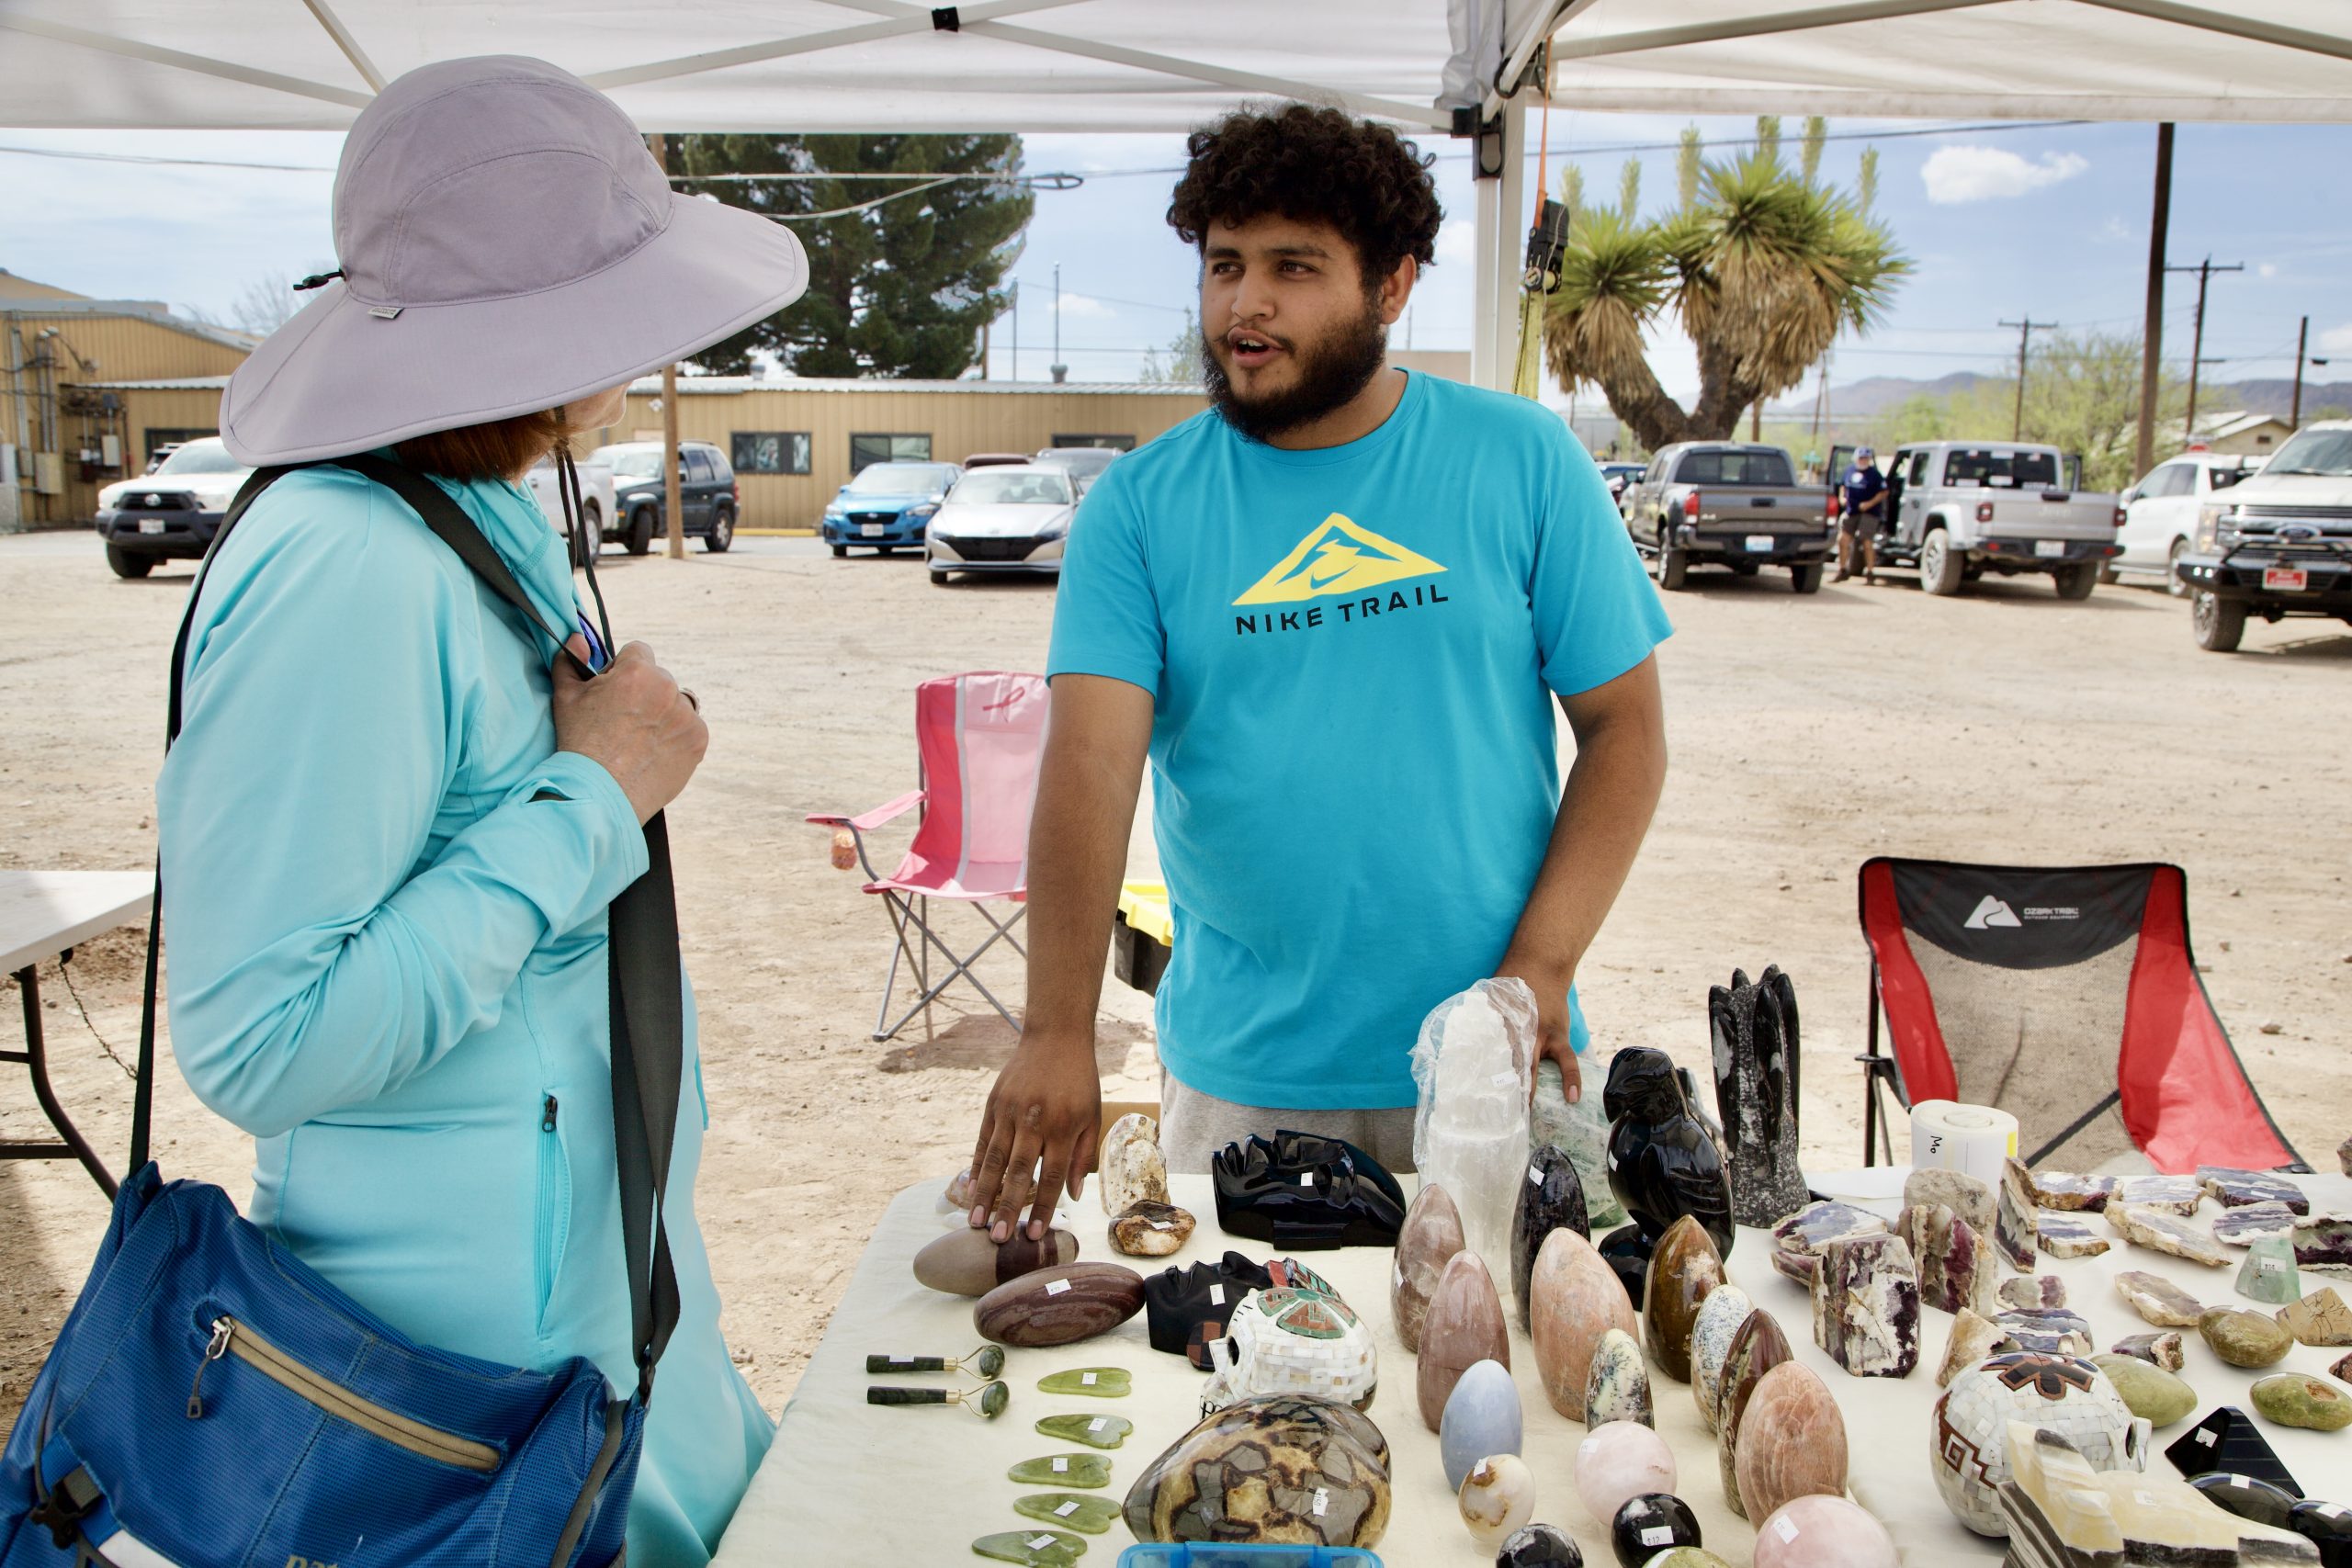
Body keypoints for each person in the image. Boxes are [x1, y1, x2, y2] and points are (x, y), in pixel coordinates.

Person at [160, 58, 808, 1565]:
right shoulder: (347, 561)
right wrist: (594, 794)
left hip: (584, 1314)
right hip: (453, 1402)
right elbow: (262, 1034)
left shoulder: (468, 510)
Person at [965, 105, 1672, 1239]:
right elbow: (1090, 769)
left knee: (1497, 1394)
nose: (1245, 305)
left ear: (1391, 287)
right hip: (1249, 1079)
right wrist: (1056, 1027)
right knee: (1251, 1399)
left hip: (1493, 1055)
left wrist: (1541, 966)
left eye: (1293, 269)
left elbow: (1626, 729)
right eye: (1224, 265)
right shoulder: (1139, 510)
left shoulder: (1521, 459)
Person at [1838, 447, 1888, 583]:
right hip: (1851, 511)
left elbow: (1884, 492)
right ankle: (1843, 570)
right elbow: (1842, 486)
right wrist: (1842, 498)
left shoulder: (1875, 475)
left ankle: (1870, 572)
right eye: (1861, 458)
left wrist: (1869, 504)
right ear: (1856, 459)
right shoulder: (1849, 471)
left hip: (1869, 513)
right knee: (1843, 540)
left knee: (1866, 542)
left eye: (1866, 458)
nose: (1863, 460)